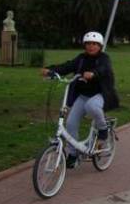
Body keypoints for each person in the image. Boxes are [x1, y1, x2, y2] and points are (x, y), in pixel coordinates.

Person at [41, 32, 119, 168]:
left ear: (100, 46)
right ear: (84, 45)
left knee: (92, 106)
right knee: (70, 123)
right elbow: (68, 66)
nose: (91, 47)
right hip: (83, 96)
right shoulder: (82, 58)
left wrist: (94, 73)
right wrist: (50, 70)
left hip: (101, 94)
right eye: (88, 44)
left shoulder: (104, 58)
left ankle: (103, 130)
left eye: (94, 44)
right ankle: (73, 154)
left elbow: (104, 68)